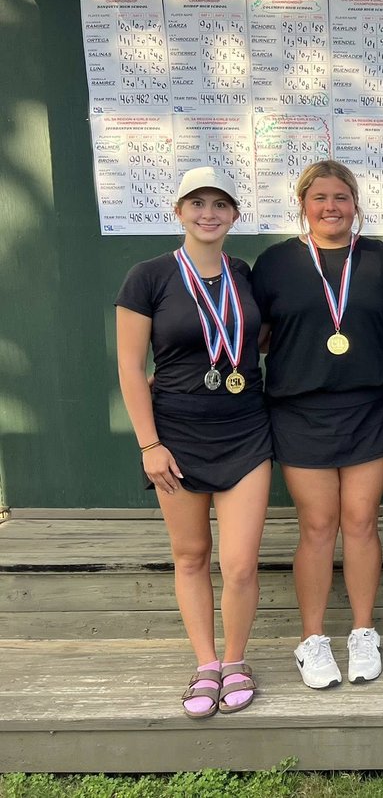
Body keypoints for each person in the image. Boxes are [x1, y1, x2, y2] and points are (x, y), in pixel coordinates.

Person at [115, 166, 271, 718]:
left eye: (220, 204)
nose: (208, 213)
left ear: (234, 214)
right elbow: (132, 369)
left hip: (246, 429)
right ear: (178, 211)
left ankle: (235, 660)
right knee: (190, 555)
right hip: (175, 436)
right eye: (197, 203)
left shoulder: (244, 273)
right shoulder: (148, 276)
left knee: (241, 562)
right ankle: (205, 663)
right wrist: (149, 445)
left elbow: (262, 336)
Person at [252, 159, 383, 689]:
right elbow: (254, 333)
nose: (331, 207)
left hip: (369, 407)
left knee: (361, 522)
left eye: (341, 197)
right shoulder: (273, 264)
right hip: (300, 410)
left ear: (355, 204)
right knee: (318, 526)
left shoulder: (382, 259)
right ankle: (312, 640)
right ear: (303, 204)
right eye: (320, 198)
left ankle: (363, 631)